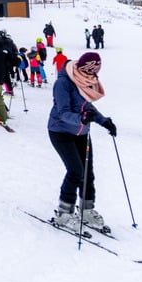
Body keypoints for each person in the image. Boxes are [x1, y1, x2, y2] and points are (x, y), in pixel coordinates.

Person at [47, 52, 117, 230]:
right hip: (61, 131)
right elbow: (63, 112)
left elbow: (88, 108)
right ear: (80, 69)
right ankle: (64, 213)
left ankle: (86, 210)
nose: (91, 77)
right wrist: (82, 119)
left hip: (82, 133)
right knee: (75, 171)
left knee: (87, 173)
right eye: (88, 73)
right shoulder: (63, 83)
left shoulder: (86, 81)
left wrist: (104, 121)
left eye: (94, 74)